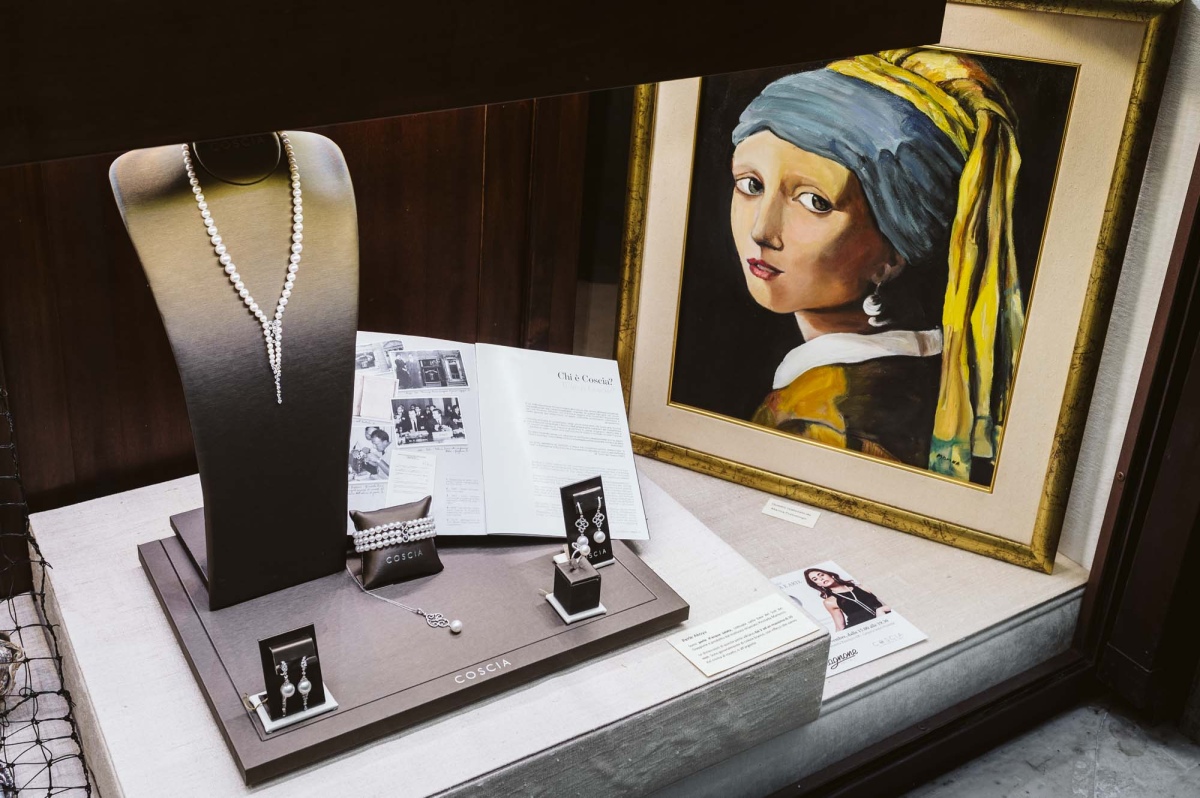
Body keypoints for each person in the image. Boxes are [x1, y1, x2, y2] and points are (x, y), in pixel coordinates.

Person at [730, 49, 1024, 483]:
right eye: (750, 185)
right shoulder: (932, 375)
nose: (761, 230)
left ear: (894, 254)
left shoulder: (817, 421)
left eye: (814, 201)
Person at [804, 568, 891, 631]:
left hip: (884, 619)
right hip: (860, 630)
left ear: (831, 575)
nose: (821, 578)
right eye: (815, 579)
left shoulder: (863, 587)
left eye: (821, 575)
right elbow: (840, 627)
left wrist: (880, 610)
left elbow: (890, 604)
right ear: (818, 585)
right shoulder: (830, 602)